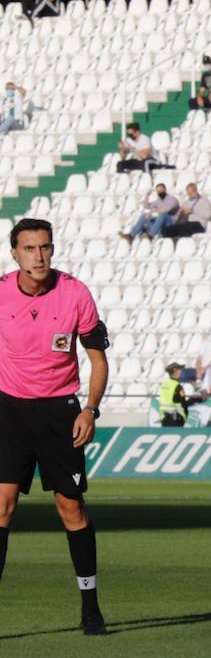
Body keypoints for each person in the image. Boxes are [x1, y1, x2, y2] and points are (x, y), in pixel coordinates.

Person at [0, 218, 110, 635]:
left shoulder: (74, 293)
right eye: (30, 248)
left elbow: (98, 359)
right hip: (8, 410)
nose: (39, 256)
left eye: (45, 247)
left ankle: (90, 606)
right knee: (2, 506)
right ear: (15, 253)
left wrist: (90, 410)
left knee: (70, 507)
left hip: (59, 412)